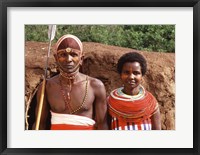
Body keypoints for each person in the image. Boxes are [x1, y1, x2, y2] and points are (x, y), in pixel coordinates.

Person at [32, 34, 108, 130]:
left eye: (74, 55)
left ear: (81, 58)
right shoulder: (47, 87)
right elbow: (40, 124)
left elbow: (103, 125)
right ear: (56, 58)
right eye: (63, 55)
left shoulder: (95, 86)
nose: (68, 60)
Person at [107, 52, 161, 130]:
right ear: (120, 74)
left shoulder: (151, 103)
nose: (131, 77)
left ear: (142, 75)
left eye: (136, 73)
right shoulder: (110, 103)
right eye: (126, 72)